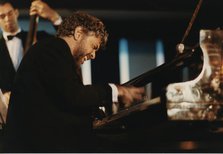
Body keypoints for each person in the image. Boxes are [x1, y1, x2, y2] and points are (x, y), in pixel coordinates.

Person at [4, 11, 145, 152]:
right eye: (94, 47)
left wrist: (100, 114)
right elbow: (74, 95)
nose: (93, 55)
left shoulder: (55, 52)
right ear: (79, 33)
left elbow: (63, 98)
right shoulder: (54, 48)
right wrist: (115, 90)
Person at [0, 0, 62, 125]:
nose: (7, 19)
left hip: (42, 109)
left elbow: (66, 42)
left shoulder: (40, 37)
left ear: (16, 13)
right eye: (2, 16)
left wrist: (53, 16)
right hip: (10, 117)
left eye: (10, 13)